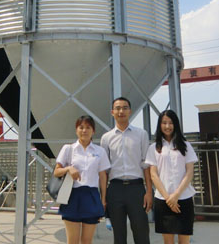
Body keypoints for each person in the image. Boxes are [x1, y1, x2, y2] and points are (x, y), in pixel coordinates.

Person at [100, 97, 153, 244]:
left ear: (130, 111)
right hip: (115, 189)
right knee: (119, 235)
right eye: (117, 108)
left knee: (141, 232)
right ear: (112, 112)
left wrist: (149, 192)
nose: (121, 111)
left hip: (136, 189)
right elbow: (104, 171)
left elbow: (146, 165)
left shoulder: (141, 134)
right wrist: (103, 198)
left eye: (125, 108)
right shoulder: (106, 138)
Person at [54, 115, 110, 244]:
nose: (84, 130)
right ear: (76, 130)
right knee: (72, 241)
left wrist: (103, 199)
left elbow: (103, 176)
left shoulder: (100, 151)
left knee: (87, 241)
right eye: (81, 127)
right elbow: (57, 172)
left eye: (88, 127)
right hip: (72, 196)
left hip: (91, 196)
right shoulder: (68, 149)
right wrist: (68, 169)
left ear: (93, 131)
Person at [145, 110, 198, 244]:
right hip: (163, 200)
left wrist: (176, 195)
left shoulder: (186, 146)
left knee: (184, 241)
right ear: (159, 125)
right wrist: (168, 198)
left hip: (183, 198)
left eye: (170, 123)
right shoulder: (153, 148)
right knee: (168, 242)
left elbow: (189, 172)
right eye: (164, 123)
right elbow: (153, 175)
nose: (167, 126)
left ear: (176, 125)